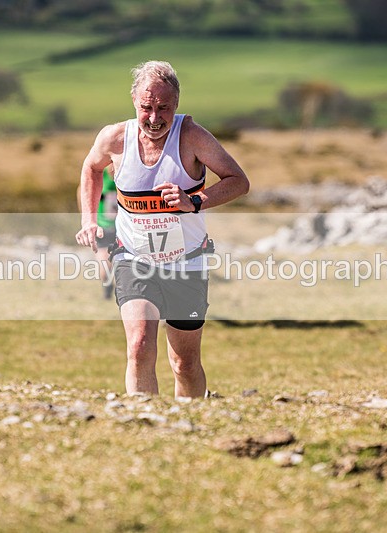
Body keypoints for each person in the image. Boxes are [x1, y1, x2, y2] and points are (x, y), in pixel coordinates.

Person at [76, 60, 249, 398]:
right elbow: (91, 167)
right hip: (133, 257)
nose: (155, 118)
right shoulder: (115, 138)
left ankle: (189, 425)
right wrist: (89, 219)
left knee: (183, 362)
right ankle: (144, 423)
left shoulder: (193, 137)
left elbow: (238, 181)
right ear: (134, 102)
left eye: (164, 108)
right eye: (147, 107)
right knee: (139, 346)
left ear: (177, 104)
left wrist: (194, 201)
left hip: (187, 261)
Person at [77, 166, 118, 299]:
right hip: (103, 226)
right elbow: (82, 190)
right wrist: (87, 218)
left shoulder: (126, 172)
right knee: (103, 258)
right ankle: (107, 288)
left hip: (122, 226)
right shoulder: (101, 174)